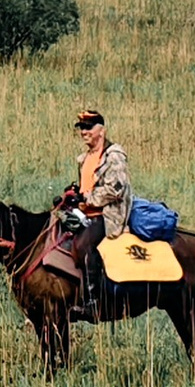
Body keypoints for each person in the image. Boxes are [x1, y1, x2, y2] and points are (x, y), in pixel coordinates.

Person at [65, 108, 132, 313]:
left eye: (88, 127)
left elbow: (116, 189)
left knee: (86, 246)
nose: (84, 132)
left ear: (101, 130)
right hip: (86, 213)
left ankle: (94, 301)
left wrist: (86, 198)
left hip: (108, 216)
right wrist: (74, 193)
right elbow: (88, 186)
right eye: (81, 128)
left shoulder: (114, 156)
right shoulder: (85, 158)